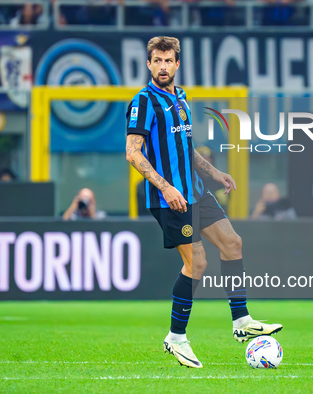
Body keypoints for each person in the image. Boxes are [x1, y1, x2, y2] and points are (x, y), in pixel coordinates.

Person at [125, 36, 282, 369]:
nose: (163, 66)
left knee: (232, 244)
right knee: (196, 264)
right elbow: (133, 152)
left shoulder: (181, 97)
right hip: (171, 199)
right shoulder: (143, 102)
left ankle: (241, 322)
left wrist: (215, 173)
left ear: (177, 64)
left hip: (196, 190)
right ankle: (176, 338)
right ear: (149, 64)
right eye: (157, 60)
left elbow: (187, 148)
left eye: (169, 61)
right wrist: (166, 188)